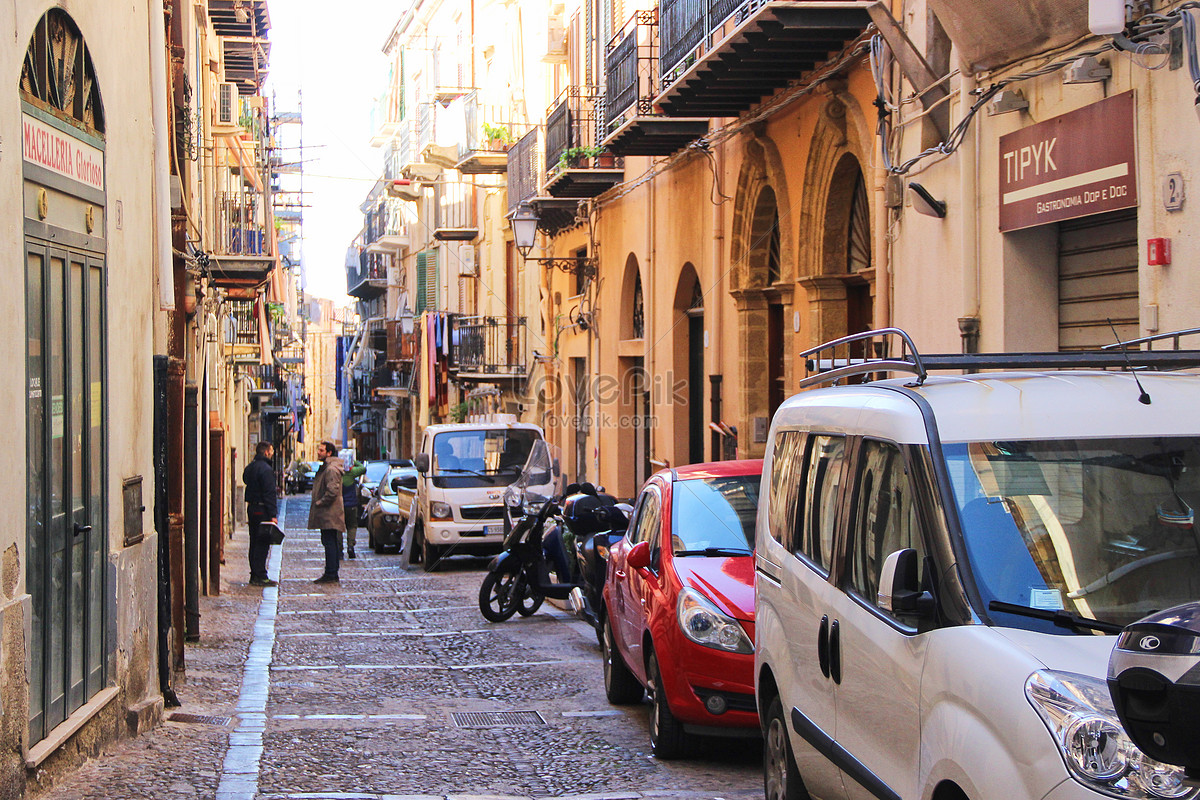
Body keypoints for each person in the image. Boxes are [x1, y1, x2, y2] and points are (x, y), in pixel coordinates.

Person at [308, 440, 346, 584]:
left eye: (321, 450)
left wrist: (320, 502)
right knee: (329, 541)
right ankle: (331, 571)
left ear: (329, 453)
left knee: (330, 542)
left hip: (330, 512)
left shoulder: (331, 469)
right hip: (328, 512)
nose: (318, 452)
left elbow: (332, 491)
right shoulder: (327, 467)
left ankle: (331, 572)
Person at [242, 440, 279, 587]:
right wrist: (273, 515)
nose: (272, 454)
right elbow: (269, 493)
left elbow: (245, 480)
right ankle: (260, 575)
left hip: (252, 508)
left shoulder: (250, 467)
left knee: (254, 541)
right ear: (266, 452)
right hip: (262, 509)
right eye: (271, 451)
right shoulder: (266, 470)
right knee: (262, 542)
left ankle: (254, 573)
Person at [341, 457, 367, 559]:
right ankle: (350, 546)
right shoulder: (352, 473)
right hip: (351, 504)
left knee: (339, 527)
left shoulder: (338, 472)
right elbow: (363, 468)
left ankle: (339, 549)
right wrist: (353, 460)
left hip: (339, 505)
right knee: (352, 526)